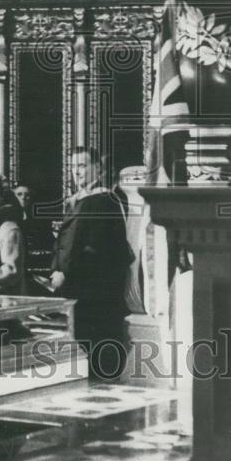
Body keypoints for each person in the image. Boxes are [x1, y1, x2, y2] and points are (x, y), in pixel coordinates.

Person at [49, 147, 132, 381]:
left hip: (94, 290)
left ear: (98, 168)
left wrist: (64, 272)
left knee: (98, 351)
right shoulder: (81, 200)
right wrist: (55, 268)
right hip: (81, 289)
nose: (77, 172)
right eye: (74, 167)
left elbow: (91, 248)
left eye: (83, 165)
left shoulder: (102, 200)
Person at [13, 181, 54, 270]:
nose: (23, 197)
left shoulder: (40, 219)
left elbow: (48, 241)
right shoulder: (9, 218)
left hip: (35, 262)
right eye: (19, 194)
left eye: (27, 195)